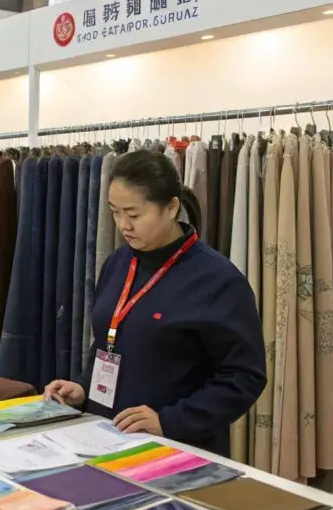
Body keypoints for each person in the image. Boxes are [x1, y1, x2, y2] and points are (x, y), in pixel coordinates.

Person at [44, 150, 266, 457]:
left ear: (171, 207)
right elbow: (110, 341)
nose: (123, 225)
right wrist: (82, 387)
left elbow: (244, 377)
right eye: (115, 212)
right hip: (103, 437)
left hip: (176, 448)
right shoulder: (118, 263)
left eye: (134, 215)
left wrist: (170, 421)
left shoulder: (218, 279)